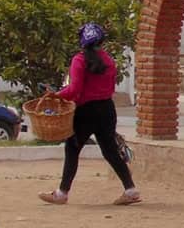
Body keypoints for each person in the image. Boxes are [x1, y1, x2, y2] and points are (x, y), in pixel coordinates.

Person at [39, 23, 140, 206]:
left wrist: (56, 95)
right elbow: (110, 88)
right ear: (101, 41)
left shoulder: (79, 60)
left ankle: (62, 193)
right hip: (107, 110)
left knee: (72, 149)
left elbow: (74, 90)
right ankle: (131, 190)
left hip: (85, 112)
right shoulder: (109, 60)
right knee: (110, 151)